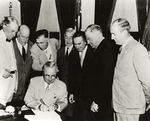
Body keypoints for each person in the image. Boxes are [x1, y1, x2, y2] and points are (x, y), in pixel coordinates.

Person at [110, 18, 150, 121]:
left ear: (124, 32)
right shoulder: (123, 48)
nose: (112, 37)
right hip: (120, 106)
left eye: (114, 34)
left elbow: (147, 80)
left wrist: (149, 100)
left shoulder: (137, 49)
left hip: (130, 108)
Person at [84, 24, 116, 121]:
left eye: (89, 39)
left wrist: (97, 101)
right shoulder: (100, 48)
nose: (88, 42)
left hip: (101, 103)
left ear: (97, 35)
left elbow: (105, 79)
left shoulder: (106, 50)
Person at [68, 31, 94, 121]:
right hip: (78, 96)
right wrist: (71, 92)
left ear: (86, 41)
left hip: (90, 96)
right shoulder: (72, 55)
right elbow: (71, 75)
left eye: (79, 44)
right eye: (75, 44)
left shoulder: (93, 53)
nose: (77, 46)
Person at [11, 25, 33, 107]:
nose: (25, 40)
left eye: (27, 37)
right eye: (23, 37)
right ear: (18, 34)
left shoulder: (31, 45)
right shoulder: (10, 45)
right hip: (12, 91)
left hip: (25, 92)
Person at [0, 16, 19, 109]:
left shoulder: (10, 40)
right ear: (4, 26)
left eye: (16, 31)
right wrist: (2, 72)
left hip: (9, 86)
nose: (14, 34)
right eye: (12, 31)